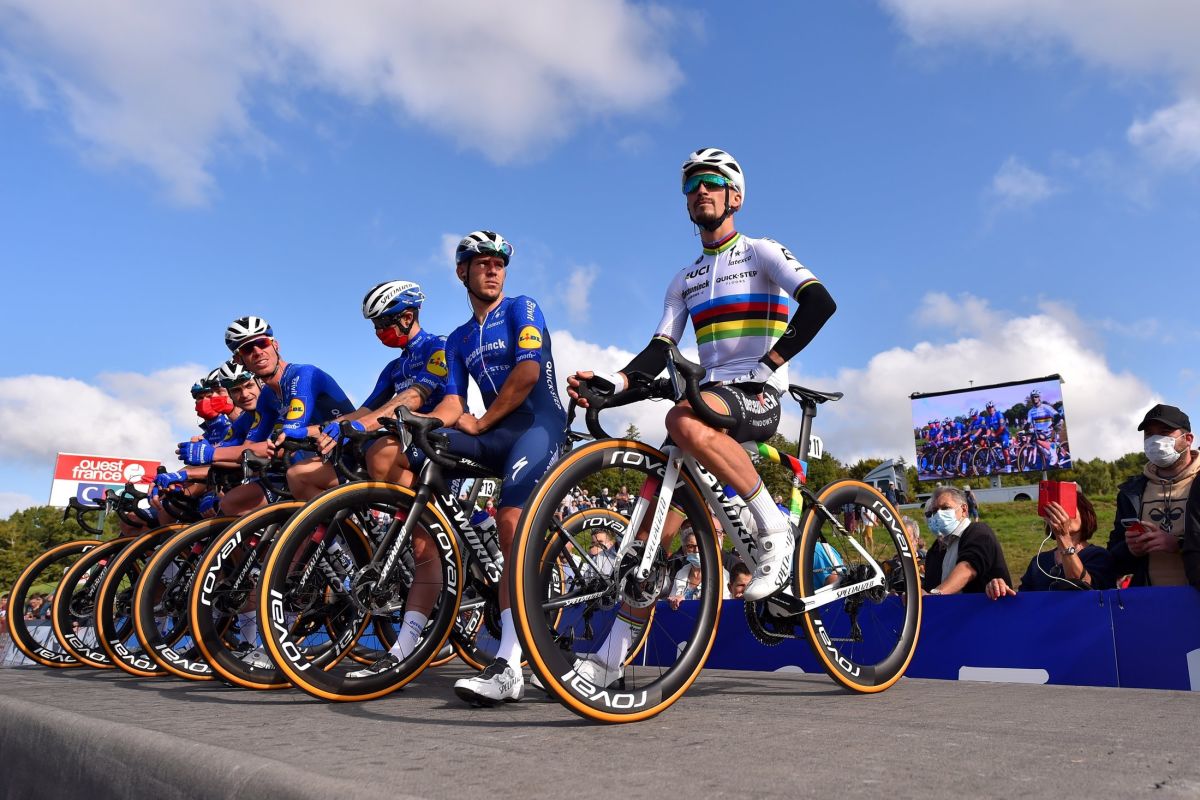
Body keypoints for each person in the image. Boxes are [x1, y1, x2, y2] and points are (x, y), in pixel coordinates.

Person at [566, 147, 836, 687]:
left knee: (682, 420)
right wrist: (612, 385)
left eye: (711, 182)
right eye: (691, 186)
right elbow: (657, 352)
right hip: (712, 400)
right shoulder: (684, 279)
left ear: (735, 196)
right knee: (651, 537)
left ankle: (774, 528)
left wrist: (770, 363)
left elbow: (820, 304)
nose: (700, 192)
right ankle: (610, 660)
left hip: (758, 395)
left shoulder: (761, 251)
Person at [375, 231, 566, 706]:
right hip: (494, 432)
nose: (493, 269)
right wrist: (418, 422)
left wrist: (480, 422)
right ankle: (463, 538)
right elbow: (453, 402)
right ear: (462, 272)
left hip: (537, 425)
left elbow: (527, 373)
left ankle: (509, 667)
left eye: (499, 263)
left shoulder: (522, 308)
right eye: (482, 263)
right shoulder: (459, 338)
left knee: (511, 522)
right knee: (410, 452)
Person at [1108, 404, 1197, 587]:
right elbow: (1115, 560)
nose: (1156, 440)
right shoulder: (1131, 492)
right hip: (1150, 599)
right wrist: (1130, 549)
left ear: (1188, 439)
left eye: (1164, 432)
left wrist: (1179, 545)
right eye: (1149, 434)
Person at [986, 492, 1115, 598]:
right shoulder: (1039, 561)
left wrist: (1063, 537)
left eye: (1068, 507)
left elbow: (1081, 588)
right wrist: (1001, 589)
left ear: (1085, 513)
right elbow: (1024, 602)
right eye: (1056, 510)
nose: (1063, 514)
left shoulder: (1099, 556)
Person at [921, 486, 1011, 595]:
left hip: (986, 605)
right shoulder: (940, 548)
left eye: (945, 508)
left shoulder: (978, 532)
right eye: (935, 511)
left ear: (963, 509)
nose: (939, 514)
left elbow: (967, 569)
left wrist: (936, 594)